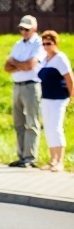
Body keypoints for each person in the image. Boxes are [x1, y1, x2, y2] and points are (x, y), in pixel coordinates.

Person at [4, 15, 45, 168]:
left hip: (31, 85)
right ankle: (21, 156)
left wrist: (16, 63)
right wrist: (19, 64)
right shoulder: (18, 44)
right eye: (21, 29)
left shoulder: (39, 44)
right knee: (19, 122)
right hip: (17, 85)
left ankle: (30, 157)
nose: (24, 32)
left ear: (34, 28)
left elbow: (30, 65)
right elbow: (7, 67)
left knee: (31, 122)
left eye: (27, 29)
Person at [38, 30, 73, 172]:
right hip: (46, 97)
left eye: (49, 43)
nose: (46, 46)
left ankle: (60, 161)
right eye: (44, 44)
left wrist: (72, 95)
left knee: (56, 127)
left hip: (59, 98)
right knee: (48, 128)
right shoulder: (45, 60)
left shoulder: (60, 58)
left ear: (55, 43)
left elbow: (69, 78)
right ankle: (52, 159)